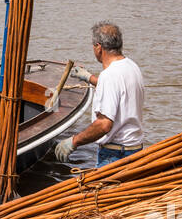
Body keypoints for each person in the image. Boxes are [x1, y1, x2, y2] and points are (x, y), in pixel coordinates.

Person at [54, 22, 145, 167]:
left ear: (98, 47)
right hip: (135, 150)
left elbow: (104, 125)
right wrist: (89, 78)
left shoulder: (109, 76)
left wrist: (73, 141)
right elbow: (119, 90)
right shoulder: (132, 67)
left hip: (115, 155)